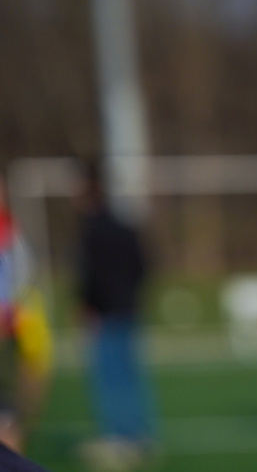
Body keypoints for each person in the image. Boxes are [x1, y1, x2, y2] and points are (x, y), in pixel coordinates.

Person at [74, 164, 155, 470]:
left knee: (109, 377)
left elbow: (89, 276)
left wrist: (88, 304)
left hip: (106, 312)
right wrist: (132, 295)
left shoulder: (92, 228)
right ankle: (139, 435)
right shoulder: (124, 225)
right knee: (131, 375)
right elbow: (143, 265)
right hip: (129, 308)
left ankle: (118, 437)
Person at [0, 176, 52, 454]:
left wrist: (10, 310)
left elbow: (21, 273)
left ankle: (21, 422)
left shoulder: (10, 230)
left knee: (33, 370)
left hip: (13, 319)